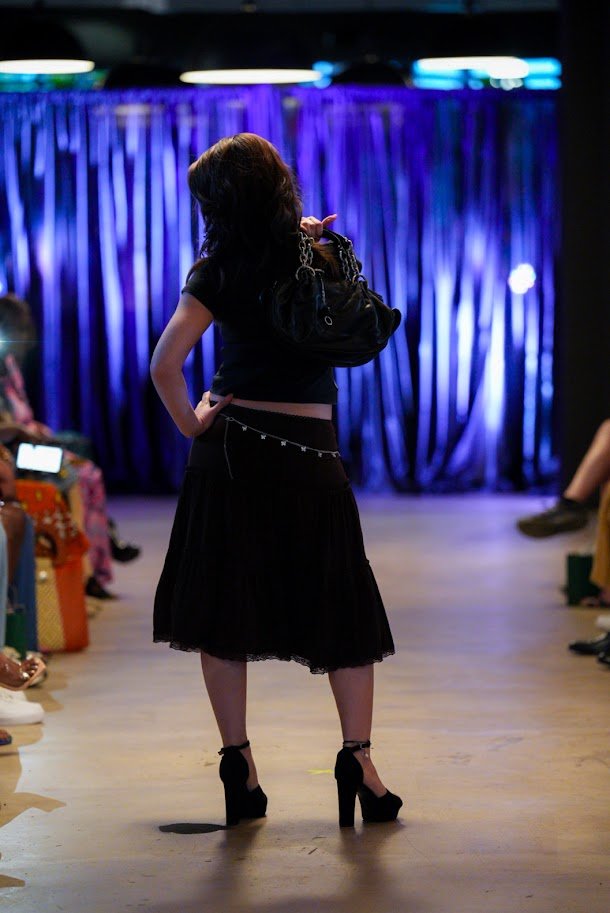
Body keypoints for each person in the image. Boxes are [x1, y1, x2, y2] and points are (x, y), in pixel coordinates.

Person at [151, 133, 402, 828]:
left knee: (224, 611)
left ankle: (239, 764)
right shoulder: (312, 256)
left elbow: (165, 365)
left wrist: (195, 423)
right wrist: (314, 243)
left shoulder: (217, 268)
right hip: (309, 452)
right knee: (341, 607)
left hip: (231, 451)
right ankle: (360, 762)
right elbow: (353, 323)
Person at [0, 294, 141, 598]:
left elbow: (23, 415)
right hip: (13, 455)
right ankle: (87, 571)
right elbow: (7, 426)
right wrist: (18, 429)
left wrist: (34, 429)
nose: (18, 338)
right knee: (78, 476)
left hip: (27, 445)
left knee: (84, 456)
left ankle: (95, 565)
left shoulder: (10, 367)